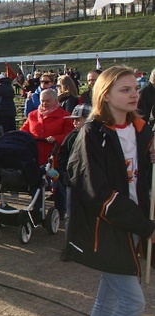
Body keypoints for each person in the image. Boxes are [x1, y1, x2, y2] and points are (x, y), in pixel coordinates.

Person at [67, 66, 155, 316]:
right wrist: (145, 228)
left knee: (108, 297)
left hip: (131, 222)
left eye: (135, 88)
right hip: (106, 227)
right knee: (132, 302)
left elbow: (139, 178)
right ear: (106, 95)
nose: (134, 94)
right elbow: (97, 191)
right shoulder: (93, 133)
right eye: (125, 90)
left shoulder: (142, 129)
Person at [21, 88, 73, 219]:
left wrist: (57, 138)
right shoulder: (33, 115)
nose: (44, 104)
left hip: (56, 157)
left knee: (59, 184)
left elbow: (70, 134)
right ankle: (37, 208)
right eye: (42, 101)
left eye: (48, 101)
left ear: (55, 100)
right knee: (36, 184)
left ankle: (61, 210)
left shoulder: (64, 116)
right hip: (37, 156)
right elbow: (24, 130)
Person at [56, 103, 91, 262]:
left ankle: (90, 245)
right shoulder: (71, 137)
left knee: (91, 213)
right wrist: (68, 172)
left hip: (91, 183)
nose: (75, 123)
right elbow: (62, 157)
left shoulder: (95, 137)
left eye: (79, 120)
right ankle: (69, 246)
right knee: (70, 215)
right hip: (73, 181)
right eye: (74, 120)